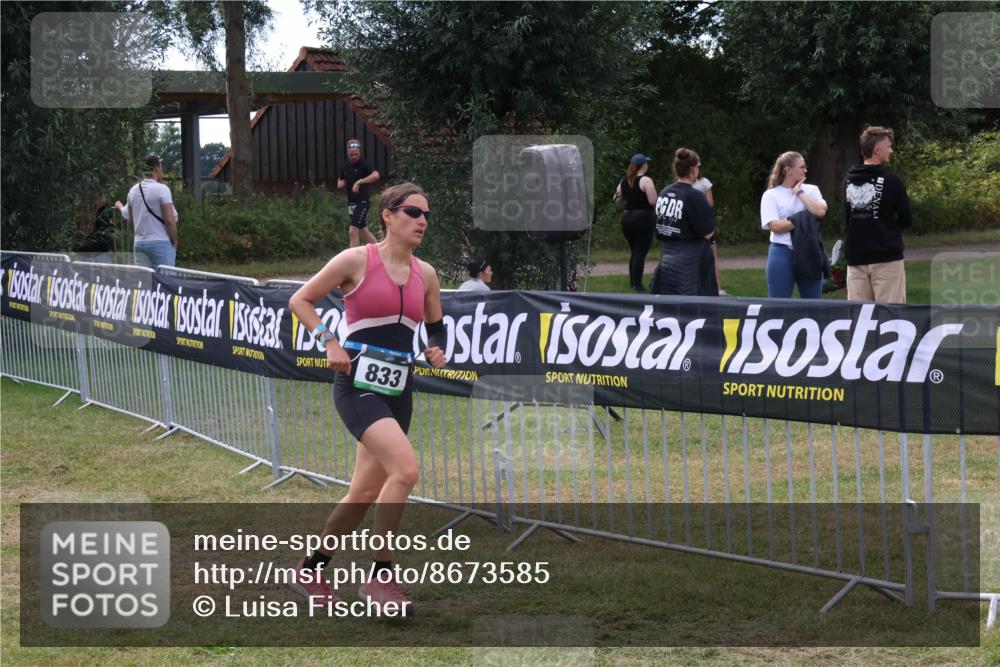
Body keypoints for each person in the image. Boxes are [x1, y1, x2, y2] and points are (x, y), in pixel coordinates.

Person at [288, 182, 447, 614]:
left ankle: (311, 568)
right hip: (357, 384)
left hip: (398, 388)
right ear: (388, 215)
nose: (422, 221)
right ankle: (379, 580)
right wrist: (328, 340)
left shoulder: (426, 273)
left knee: (361, 494)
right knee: (407, 470)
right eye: (414, 212)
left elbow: (436, 325)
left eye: (426, 215)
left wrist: (436, 350)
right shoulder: (356, 260)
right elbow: (300, 300)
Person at [843, 126, 912, 303]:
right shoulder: (892, 181)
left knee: (860, 322)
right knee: (890, 320)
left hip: (856, 258)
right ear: (877, 149)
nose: (891, 150)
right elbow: (906, 218)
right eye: (888, 146)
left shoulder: (848, 181)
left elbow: (848, 219)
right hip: (886, 258)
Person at [760, 151, 828, 299]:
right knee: (778, 305)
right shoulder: (771, 195)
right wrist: (801, 219)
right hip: (782, 252)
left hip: (809, 250)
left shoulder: (811, 190)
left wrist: (799, 193)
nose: (805, 170)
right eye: (801, 167)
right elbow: (775, 227)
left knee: (813, 303)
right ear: (788, 170)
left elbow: (820, 211)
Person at [650, 148, 717, 296]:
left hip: (666, 260)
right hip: (691, 264)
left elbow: (658, 227)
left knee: (668, 310)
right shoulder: (695, 196)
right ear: (693, 170)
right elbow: (708, 232)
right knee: (695, 312)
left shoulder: (664, 193)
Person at [613, 154, 657, 292]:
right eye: (646, 163)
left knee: (635, 251)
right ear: (643, 165)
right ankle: (637, 284)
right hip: (643, 218)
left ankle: (633, 282)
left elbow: (616, 198)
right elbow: (653, 201)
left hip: (627, 218)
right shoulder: (646, 180)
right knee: (640, 252)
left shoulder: (624, 181)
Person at [126, 155, 178, 269]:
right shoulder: (162, 189)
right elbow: (170, 220)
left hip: (139, 244)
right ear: (157, 169)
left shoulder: (132, 191)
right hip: (160, 243)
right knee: (165, 283)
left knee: (144, 284)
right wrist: (175, 240)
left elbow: (130, 221)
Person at [338, 139, 381, 248]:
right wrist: (340, 183)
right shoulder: (345, 166)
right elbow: (340, 179)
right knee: (363, 232)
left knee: (353, 230)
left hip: (363, 202)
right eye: (351, 154)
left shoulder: (364, 164)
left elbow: (376, 175)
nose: (354, 157)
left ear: (359, 152)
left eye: (356, 154)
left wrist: (360, 181)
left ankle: (353, 261)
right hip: (351, 203)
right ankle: (381, 251)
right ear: (347, 153)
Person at [692, 171, 724, 295]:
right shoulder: (704, 182)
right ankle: (717, 288)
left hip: (691, 224)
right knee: (712, 256)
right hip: (703, 223)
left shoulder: (682, 183)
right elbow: (710, 203)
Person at [75, 196, 117, 263]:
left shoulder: (104, 213)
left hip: (99, 251)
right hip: (86, 251)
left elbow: (108, 231)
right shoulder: (83, 211)